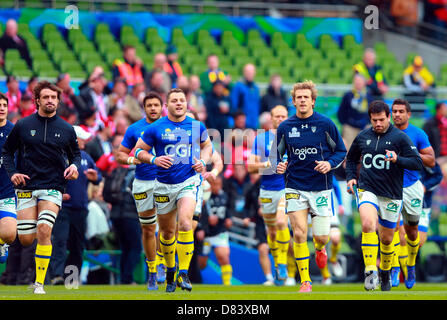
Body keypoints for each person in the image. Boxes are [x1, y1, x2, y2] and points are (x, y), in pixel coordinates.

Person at [1, 81, 81, 294]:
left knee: (45, 229)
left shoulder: (66, 128)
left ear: (58, 100)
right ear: (37, 100)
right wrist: (13, 174)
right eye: (45, 97)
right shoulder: (23, 125)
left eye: (53, 97)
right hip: (27, 187)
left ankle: (39, 284)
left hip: (53, 187)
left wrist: (74, 166)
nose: (50, 101)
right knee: (27, 239)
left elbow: (76, 155)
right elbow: (7, 153)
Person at [270, 80, 347, 293]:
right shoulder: (285, 127)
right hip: (295, 187)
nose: (302, 100)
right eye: (299, 97)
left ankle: (321, 249)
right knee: (299, 233)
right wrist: (279, 165)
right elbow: (275, 155)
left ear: (313, 101)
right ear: (294, 102)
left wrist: (329, 163)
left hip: (321, 187)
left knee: (321, 236)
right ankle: (306, 281)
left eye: (306, 97)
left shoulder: (326, 124)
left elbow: (341, 151)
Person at [134, 88, 213, 292]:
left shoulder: (196, 126)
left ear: (187, 104)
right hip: (162, 185)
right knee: (167, 233)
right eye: (175, 101)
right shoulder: (156, 127)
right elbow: (138, 150)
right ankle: (170, 271)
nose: (179, 103)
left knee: (186, 224)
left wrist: (203, 161)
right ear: (166, 106)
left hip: (189, 182)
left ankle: (183, 273)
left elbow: (207, 146)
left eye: (182, 100)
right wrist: (154, 159)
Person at [345, 100, 423, 292]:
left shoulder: (400, 138)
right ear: (370, 119)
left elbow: (417, 163)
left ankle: (386, 271)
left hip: (391, 194)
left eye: (381, 119)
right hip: (367, 189)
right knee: (367, 225)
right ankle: (371, 271)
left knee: (387, 239)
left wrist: (398, 159)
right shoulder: (363, 136)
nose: (378, 124)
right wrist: (350, 178)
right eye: (374, 120)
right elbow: (351, 159)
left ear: (388, 117)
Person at [115, 91, 163, 290]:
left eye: (156, 105)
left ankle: (163, 264)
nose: (153, 108)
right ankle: (152, 269)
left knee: (168, 228)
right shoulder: (134, 129)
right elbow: (119, 155)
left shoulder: (171, 127)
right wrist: (131, 160)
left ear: (162, 108)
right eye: (149, 105)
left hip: (166, 183)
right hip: (142, 182)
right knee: (148, 229)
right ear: (144, 108)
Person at [390, 98, 435, 289]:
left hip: (412, 187)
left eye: (401, 111)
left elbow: (431, 160)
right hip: (389, 186)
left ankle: (411, 264)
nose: (397, 114)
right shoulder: (384, 133)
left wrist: (410, 156)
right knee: (390, 228)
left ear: (408, 114)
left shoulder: (418, 134)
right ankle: (393, 267)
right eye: (394, 111)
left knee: (411, 231)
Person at [49, 125, 102, 285]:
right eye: (82, 137)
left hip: (80, 208)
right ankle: (56, 276)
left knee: (77, 245)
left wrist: (95, 177)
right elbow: (49, 177)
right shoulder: (60, 156)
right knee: (60, 241)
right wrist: (57, 193)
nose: (85, 140)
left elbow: (97, 176)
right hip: (62, 207)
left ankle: (71, 278)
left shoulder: (86, 156)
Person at [247, 105, 289, 285]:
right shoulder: (261, 139)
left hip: (287, 188)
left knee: (281, 222)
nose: (280, 119)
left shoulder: (293, 138)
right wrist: (267, 165)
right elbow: (250, 167)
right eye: (277, 116)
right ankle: (278, 264)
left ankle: (282, 263)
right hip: (266, 190)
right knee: (271, 232)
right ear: (271, 118)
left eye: (283, 116)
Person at [197, 175, 233, 285]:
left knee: (224, 257)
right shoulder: (203, 197)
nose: (216, 187)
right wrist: (201, 227)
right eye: (214, 184)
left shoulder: (224, 196)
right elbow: (196, 214)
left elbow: (228, 211)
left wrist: (229, 219)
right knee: (201, 264)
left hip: (219, 232)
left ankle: (227, 284)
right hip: (206, 234)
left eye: (218, 184)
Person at [0, 93, 17, 262]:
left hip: (6, 193)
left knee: (10, 235)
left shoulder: (14, 132)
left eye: (4, 105)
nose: (1, 108)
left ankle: (1, 242)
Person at [337, 74, 374, 150]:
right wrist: (345, 124)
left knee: (365, 149)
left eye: (360, 81)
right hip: (350, 127)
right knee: (348, 149)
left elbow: (372, 110)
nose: (358, 83)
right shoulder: (348, 95)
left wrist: (368, 123)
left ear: (364, 83)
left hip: (365, 127)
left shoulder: (369, 95)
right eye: (356, 81)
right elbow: (341, 111)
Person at [230, 63, 260, 130]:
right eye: (248, 72)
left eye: (251, 72)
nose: (250, 74)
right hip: (242, 125)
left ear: (255, 73)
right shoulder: (238, 87)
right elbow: (234, 106)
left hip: (254, 124)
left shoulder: (256, 88)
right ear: (244, 73)